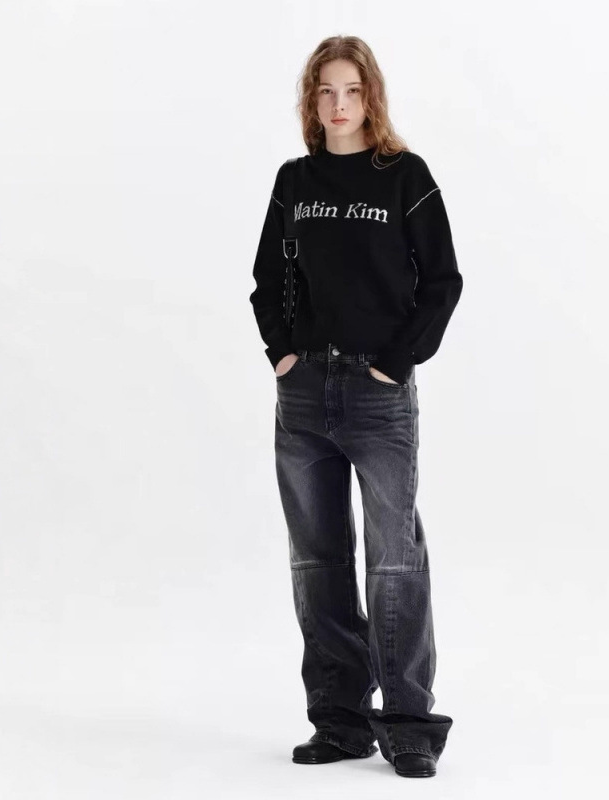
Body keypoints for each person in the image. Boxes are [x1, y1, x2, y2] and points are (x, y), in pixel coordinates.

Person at [249, 35, 463, 779]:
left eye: (351, 90)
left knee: (394, 559)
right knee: (318, 561)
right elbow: (267, 278)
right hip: (305, 394)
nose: (338, 105)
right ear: (311, 101)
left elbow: (442, 281)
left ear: (371, 96)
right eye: (325, 91)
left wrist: (397, 361)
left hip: (379, 397)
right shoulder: (294, 180)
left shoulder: (405, 177)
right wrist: (283, 353)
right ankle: (339, 720)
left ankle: (407, 725)